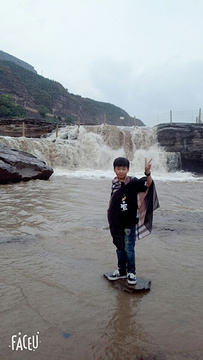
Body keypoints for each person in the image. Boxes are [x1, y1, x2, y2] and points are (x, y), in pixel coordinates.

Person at [107, 156, 159, 285]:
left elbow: (148, 184)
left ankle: (131, 272)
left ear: (128, 169)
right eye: (118, 169)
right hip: (117, 223)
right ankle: (122, 271)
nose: (121, 171)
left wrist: (147, 173)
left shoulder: (133, 183)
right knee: (119, 247)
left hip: (129, 222)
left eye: (123, 169)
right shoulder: (114, 183)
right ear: (114, 169)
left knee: (129, 248)